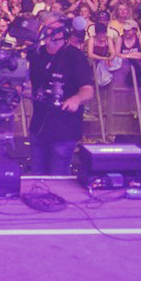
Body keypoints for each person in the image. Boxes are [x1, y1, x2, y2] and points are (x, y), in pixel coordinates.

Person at [25, 22, 94, 175]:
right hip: (39, 125)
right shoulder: (36, 53)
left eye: (54, 30)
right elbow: (26, 79)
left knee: (58, 175)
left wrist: (76, 99)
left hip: (64, 128)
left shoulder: (75, 56)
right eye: (48, 29)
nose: (50, 33)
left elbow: (88, 90)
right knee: (37, 173)